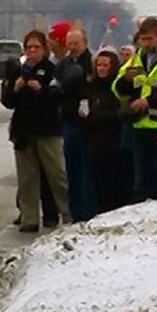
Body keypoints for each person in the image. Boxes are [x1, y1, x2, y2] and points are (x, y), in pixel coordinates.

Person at [0, 30, 71, 232]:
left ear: (44, 49)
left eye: (36, 47)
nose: (32, 51)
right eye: (29, 47)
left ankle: (66, 213)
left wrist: (40, 89)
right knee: (27, 178)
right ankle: (29, 217)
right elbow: (7, 101)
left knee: (57, 174)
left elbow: (58, 96)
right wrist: (16, 88)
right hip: (24, 130)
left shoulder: (52, 70)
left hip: (48, 129)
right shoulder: (17, 71)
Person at [112, 17, 157, 202]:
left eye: (149, 39)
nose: (146, 43)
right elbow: (117, 87)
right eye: (143, 39)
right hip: (140, 123)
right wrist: (125, 82)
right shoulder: (137, 57)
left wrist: (148, 100)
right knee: (141, 179)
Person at [50, 22, 96, 222]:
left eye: (76, 43)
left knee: (86, 168)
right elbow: (54, 88)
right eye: (69, 43)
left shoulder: (92, 62)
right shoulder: (63, 65)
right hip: (68, 120)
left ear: (85, 42)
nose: (72, 47)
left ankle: (87, 211)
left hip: (87, 124)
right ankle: (74, 211)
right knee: (71, 169)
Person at [84, 49, 126, 215]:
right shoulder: (92, 87)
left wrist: (96, 117)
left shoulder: (116, 87)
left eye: (105, 65)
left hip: (113, 141)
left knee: (113, 180)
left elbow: (118, 113)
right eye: (99, 65)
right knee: (97, 180)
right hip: (94, 142)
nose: (101, 68)